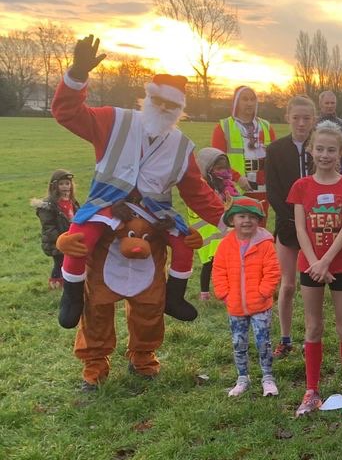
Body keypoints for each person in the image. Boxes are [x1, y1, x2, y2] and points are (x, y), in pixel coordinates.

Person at [52, 36, 224, 331]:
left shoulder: (182, 146)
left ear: (180, 109)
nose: (163, 107)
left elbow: (197, 192)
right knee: (79, 240)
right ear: (147, 98)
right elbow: (67, 113)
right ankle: (71, 297)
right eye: (158, 100)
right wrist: (77, 75)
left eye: (171, 104)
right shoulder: (114, 120)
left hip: (155, 215)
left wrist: (229, 220)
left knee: (183, 245)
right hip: (106, 205)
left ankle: (174, 297)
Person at [288, 123, 342, 416]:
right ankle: (311, 390)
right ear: (311, 150)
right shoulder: (301, 187)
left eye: (331, 150)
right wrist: (315, 263)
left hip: (341, 264)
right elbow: (300, 228)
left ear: (341, 153)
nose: (324, 155)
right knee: (313, 326)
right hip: (310, 266)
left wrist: (326, 262)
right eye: (319, 149)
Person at [212, 196, 282, 398]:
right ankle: (242, 377)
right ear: (232, 220)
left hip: (260, 305)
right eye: (241, 216)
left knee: (263, 342)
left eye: (252, 217)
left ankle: (267, 377)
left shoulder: (266, 244)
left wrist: (263, 292)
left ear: (258, 220)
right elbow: (219, 270)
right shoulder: (225, 245)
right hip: (235, 305)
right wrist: (224, 293)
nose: (246, 221)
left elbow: (272, 271)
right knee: (238, 342)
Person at [265, 95, 316, 358]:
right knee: (287, 285)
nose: (301, 123)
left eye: (306, 118)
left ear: (314, 120)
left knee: (311, 286)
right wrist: (292, 219)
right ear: (287, 118)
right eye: (296, 117)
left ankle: (312, 337)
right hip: (286, 226)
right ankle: (285, 338)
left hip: (317, 226)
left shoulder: (320, 147)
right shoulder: (274, 150)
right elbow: (272, 191)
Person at [187, 148, 238, 301]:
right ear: (207, 169)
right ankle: (204, 293)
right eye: (218, 168)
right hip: (208, 233)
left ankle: (226, 290)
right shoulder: (201, 188)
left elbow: (235, 197)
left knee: (226, 263)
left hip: (223, 231)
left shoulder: (227, 184)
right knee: (209, 263)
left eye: (225, 168)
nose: (223, 172)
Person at [212, 85, 276, 200]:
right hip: (236, 189)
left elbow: (276, 159)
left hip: (263, 190)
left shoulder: (266, 126)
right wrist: (238, 178)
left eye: (252, 99)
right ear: (236, 102)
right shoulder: (223, 127)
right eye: (245, 99)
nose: (249, 103)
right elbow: (217, 162)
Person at [33, 169, 79, 289]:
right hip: (57, 241)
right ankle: (56, 285)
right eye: (61, 184)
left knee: (69, 262)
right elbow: (48, 227)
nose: (65, 187)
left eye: (67, 183)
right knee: (59, 262)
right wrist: (61, 240)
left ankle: (68, 282)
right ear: (54, 186)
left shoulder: (72, 202)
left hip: (70, 239)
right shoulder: (48, 206)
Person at [316, 90, 342, 176]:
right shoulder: (313, 124)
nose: (330, 106)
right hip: (317, 169)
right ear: (320, 104)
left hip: (340, 170)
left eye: (332, 103)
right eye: (327, 103)